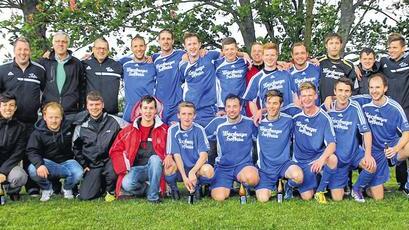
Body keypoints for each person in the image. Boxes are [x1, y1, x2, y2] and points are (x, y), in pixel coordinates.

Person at [0, 37, 46, 196]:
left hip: (31, 121)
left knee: (29, 151)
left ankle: (32, 187)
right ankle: (12, 186)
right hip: (9, 122)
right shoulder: (3, 69)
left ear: (30, 51)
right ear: (14, 51)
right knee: (9, 152)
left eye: (26, 49)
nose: (23, 53)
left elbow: (45, 93)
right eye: (20, 49)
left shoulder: (39, 70)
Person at [353, 73, 409, 199]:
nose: (374, 91)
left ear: (385, 88)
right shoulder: (363, 101)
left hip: (391, 149)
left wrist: (395, 148)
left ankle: (408, 186)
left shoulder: (394, 107)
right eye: (371, 87)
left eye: (378, 87)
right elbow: (344, 98)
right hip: (373, 151)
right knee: (378, 197)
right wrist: (330, 98)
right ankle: (368, 186)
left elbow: (406, 132)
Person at [109, 95, 171, 203]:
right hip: (136, 169)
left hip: (156, 169)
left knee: (155, 159)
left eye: (151, 108)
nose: (148, 111)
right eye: (145, 108)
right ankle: (151, 188)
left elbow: (172, 149)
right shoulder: (128, 130)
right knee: (127, 183)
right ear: (140, 110)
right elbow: (115, 150)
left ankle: (153, 197)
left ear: (155, 110)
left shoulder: (165, 130)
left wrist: (168, 157)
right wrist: (123, 167)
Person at [324, 77, 376, 202]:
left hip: (353, 153)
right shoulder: (327, 107)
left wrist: (368, 155)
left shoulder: (355, 106)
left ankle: (356, 188)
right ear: (334, 92)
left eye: (347, 91)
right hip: (337, 159)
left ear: (351, 93)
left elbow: (366, 132)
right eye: (340, 90)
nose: (343, 94)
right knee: (337, 198)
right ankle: (341, 182)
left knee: (371, 166)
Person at [73, 91, 128, 201]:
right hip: (93, 165)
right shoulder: (81, 126)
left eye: (97, 104)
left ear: (102, 105)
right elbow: (76, 148)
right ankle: (99, 185)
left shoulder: (116, 121)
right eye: (91, 105)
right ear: (87, 106)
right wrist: (84, 165)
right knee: (85, 196)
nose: (94, 107)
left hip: (111, 161)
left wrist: (123, 156)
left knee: (112, 171)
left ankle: (110, 190)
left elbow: (131, 134)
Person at [205, 95, 259, 201]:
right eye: (228, 107)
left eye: (235, 106)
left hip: (243, 165)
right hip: (223, 167)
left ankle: (245, 186)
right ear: (225, 108)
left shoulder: (249, 123)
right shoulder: (218, 123)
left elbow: (262, 140)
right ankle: (228, 184)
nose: (231, 110)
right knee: (219, 197)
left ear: (240, 108)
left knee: (252, 178)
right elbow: (201, 136)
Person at [26, 102, 83, 202]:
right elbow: (32, 150)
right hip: (47, 164)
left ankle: (67, 188)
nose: (53, 120)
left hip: (67, 162)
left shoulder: (69, 126)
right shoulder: (37, 133)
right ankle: (47, 188)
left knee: (78, 172)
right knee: (33, 169)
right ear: (44, 117)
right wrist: (39, 165)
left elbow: (85, 114)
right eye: (50, 117)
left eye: (57, 117)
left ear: (61, 117)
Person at [292, 82, 337, 204]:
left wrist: (322, 159)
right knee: (306, 196)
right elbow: (274, 111)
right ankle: (292, 185)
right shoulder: (295, 115)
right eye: (304, 96)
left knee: (332, 159)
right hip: (300, 161)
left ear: (316, 96)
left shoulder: (324, 117)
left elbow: (332, 144)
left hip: (316, 159)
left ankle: (320, 191)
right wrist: (261, 111)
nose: (307, 99)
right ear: (300, 98)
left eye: (310, 95)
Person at [255, 90, 303, 202]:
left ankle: (288, 186)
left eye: (275, 103)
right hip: (265, 168)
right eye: (269, 103)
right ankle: (271, 186)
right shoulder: (258, 122)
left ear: (281, 105)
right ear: (265, 104)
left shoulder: (289, 120)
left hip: (284, 165)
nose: (271, 106)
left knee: (298, 176)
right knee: (263, 199)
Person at [165, 101, 214, 200]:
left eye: (190, 114)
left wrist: (192, 172)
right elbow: (176, 155)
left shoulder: (199, 129)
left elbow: (204, 155)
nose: (187, 117)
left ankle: (198, 186)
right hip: (180, 168)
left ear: (194, 116)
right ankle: (174, 189)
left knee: (208, 170)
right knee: (168, 165)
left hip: (196, 168)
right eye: (183, 114)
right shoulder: (173, 130)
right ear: (178, 115)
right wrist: (184, 176)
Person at [379, 33, 409, 191]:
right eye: (389, 47)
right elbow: (368, 67)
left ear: (403, 48)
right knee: (396, 144)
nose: (391, 50)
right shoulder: (383, 62)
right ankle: (400, 181)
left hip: (407, 109)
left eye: (395, 48)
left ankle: (406, 184)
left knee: (406, 144)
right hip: (391, 113)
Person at [39, 31, 85, 121]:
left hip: (71, 113)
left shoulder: (76, 63)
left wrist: (80, 108)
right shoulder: (44, 62)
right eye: (57, 41)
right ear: (53, 44)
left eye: (64, 42)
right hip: (50, 112)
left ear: (68, 44)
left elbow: (82, 87)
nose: (61, 44)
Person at [243, 42, 293, 121]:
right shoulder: (256, 78)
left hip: (287, 119)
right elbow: (251, 101)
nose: (269, 58)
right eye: (267, 55)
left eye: (272, 55)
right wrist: (257, 116)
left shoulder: (286, 74)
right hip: (269, 120)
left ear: (277, 56)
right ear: (262, 56)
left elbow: (296, 94)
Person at [152, 29, 185, 124]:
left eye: (168, 39)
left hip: (176, 105)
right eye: (163, 39)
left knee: (175, 134)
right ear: (158, 41)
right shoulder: (154, 58)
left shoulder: (181, 54)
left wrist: (203, 51)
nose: (165, 41)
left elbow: (196, 54)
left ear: (173, 41)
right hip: (160, 107)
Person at [82, 37, 123, 115]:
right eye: (98, 48)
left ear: (108, 50)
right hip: (90, 114)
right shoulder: (83, 64)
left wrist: (147, 58)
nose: (101, 51)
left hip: (111, 114)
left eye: (104, 48)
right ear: (93, 49)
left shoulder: (117, 66)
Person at [122, 35, 156, 122]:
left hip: (147, 112)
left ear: (145, 47)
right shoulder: (125, 63)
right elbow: (108, 61)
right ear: (132, 48)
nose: (139, 49)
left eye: (141, 46)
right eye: (135, 46)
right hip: (129, 112)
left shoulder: (153, 64)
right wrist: (91, 55)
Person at [0, 94, 28, 201]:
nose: (8, 108)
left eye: (11, 105)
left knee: (20, 176)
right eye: (4, 105)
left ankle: (12, 191)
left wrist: (3, 171)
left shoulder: (21, 127)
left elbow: (18, 152)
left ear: (15, 108)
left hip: (9, 164)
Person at [319, 33, 356, 103]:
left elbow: (353, 90)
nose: (334, 46)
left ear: (341, 45)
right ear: (326, 45)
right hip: (321, 106)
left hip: (341, 106)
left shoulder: (349, 66)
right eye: (331, 43)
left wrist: (333, 98)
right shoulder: (318, 62)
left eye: (337, 43)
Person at [214, 37, 248, 114]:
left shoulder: (244, 62)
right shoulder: (216, 64)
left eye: (232, 49)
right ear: (222, 51)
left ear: (237, 49)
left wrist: (278, 63)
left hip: (241, 106)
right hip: (225, 107)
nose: (230, 52)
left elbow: (261, 63)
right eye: (227, 49)